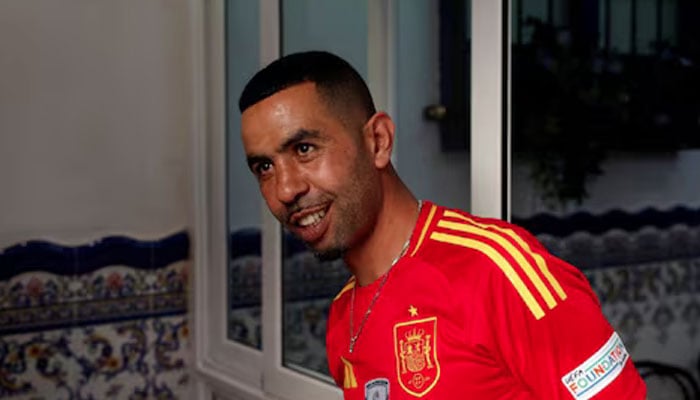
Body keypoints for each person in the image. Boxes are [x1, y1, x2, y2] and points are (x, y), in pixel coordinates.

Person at [238, 50, 647, 399]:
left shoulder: (495, 268)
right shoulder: (345, 316)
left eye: (304, 148)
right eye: (264, 167)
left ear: (378, 141)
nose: (285, 189)